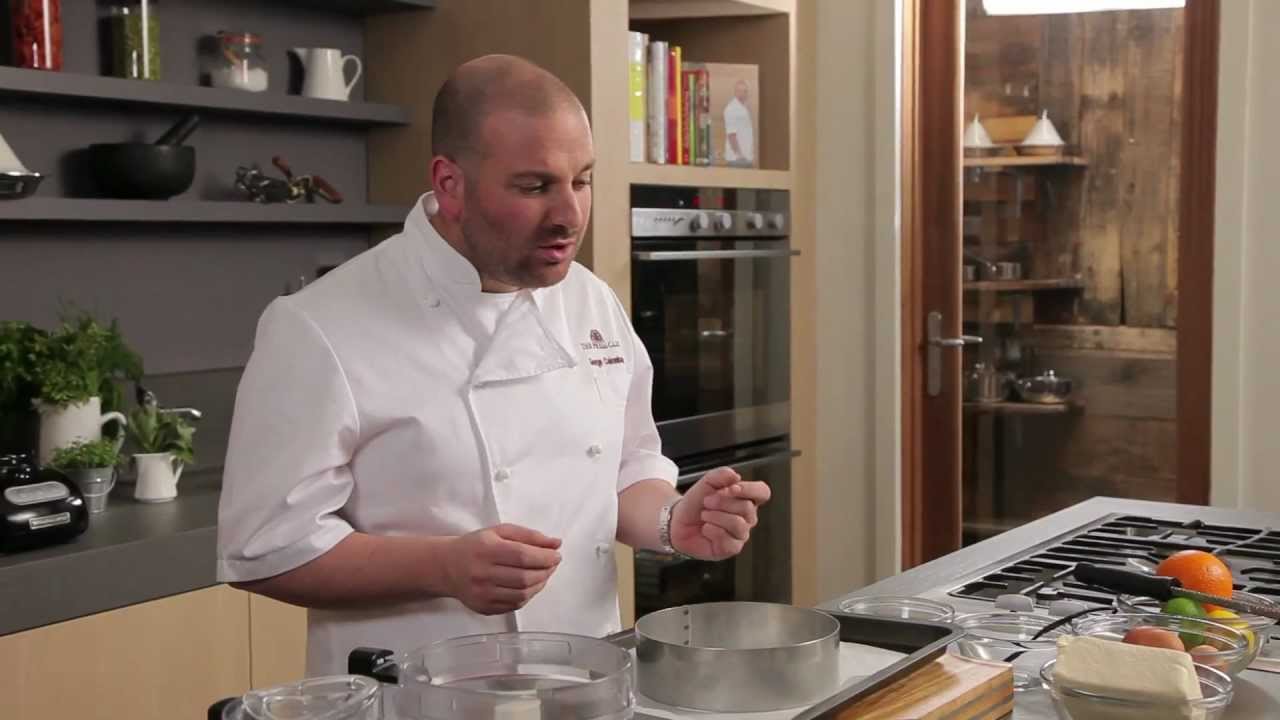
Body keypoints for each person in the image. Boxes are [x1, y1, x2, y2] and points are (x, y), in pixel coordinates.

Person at [215, 55, 771, 676]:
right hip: (417, 700)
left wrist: (672, 519)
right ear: (450, 183)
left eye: (581, 180)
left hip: (585, 683)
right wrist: (443, 568)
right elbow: (265, 549)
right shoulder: (320, 326)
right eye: (534, 187)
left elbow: (625, 466)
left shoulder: (589, 299)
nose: (569, 215)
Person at [723, 79, 756, 166]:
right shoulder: (732, 109)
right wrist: (739, 155)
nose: (744, 94)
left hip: (745, 159)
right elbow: (731, 135)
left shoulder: (743, 107)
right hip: (737, 160)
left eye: (745, 91)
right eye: (740, 91)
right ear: (736, 92)